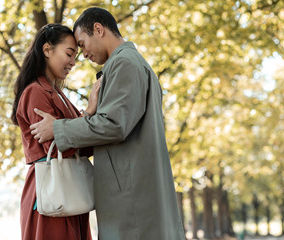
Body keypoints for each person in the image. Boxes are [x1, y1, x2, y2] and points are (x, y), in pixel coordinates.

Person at [30, 8, 185, 240]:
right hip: (132, 195)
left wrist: (58, 128)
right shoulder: (127, 63)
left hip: (132, 200)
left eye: (82, 45)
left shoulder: (125, 64)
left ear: (98, 30)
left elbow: (114, 124)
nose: (82, 55)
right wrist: (89, 112)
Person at [11, 23, 101, 240]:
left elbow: (81, 141)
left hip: (70, 188)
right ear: (47, 49)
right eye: (69, 53)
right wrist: (88, 111)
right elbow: (59, 146)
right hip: (51, 191)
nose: (73, 62)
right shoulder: (35, 92)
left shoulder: (56, 92)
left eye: (76, 56)